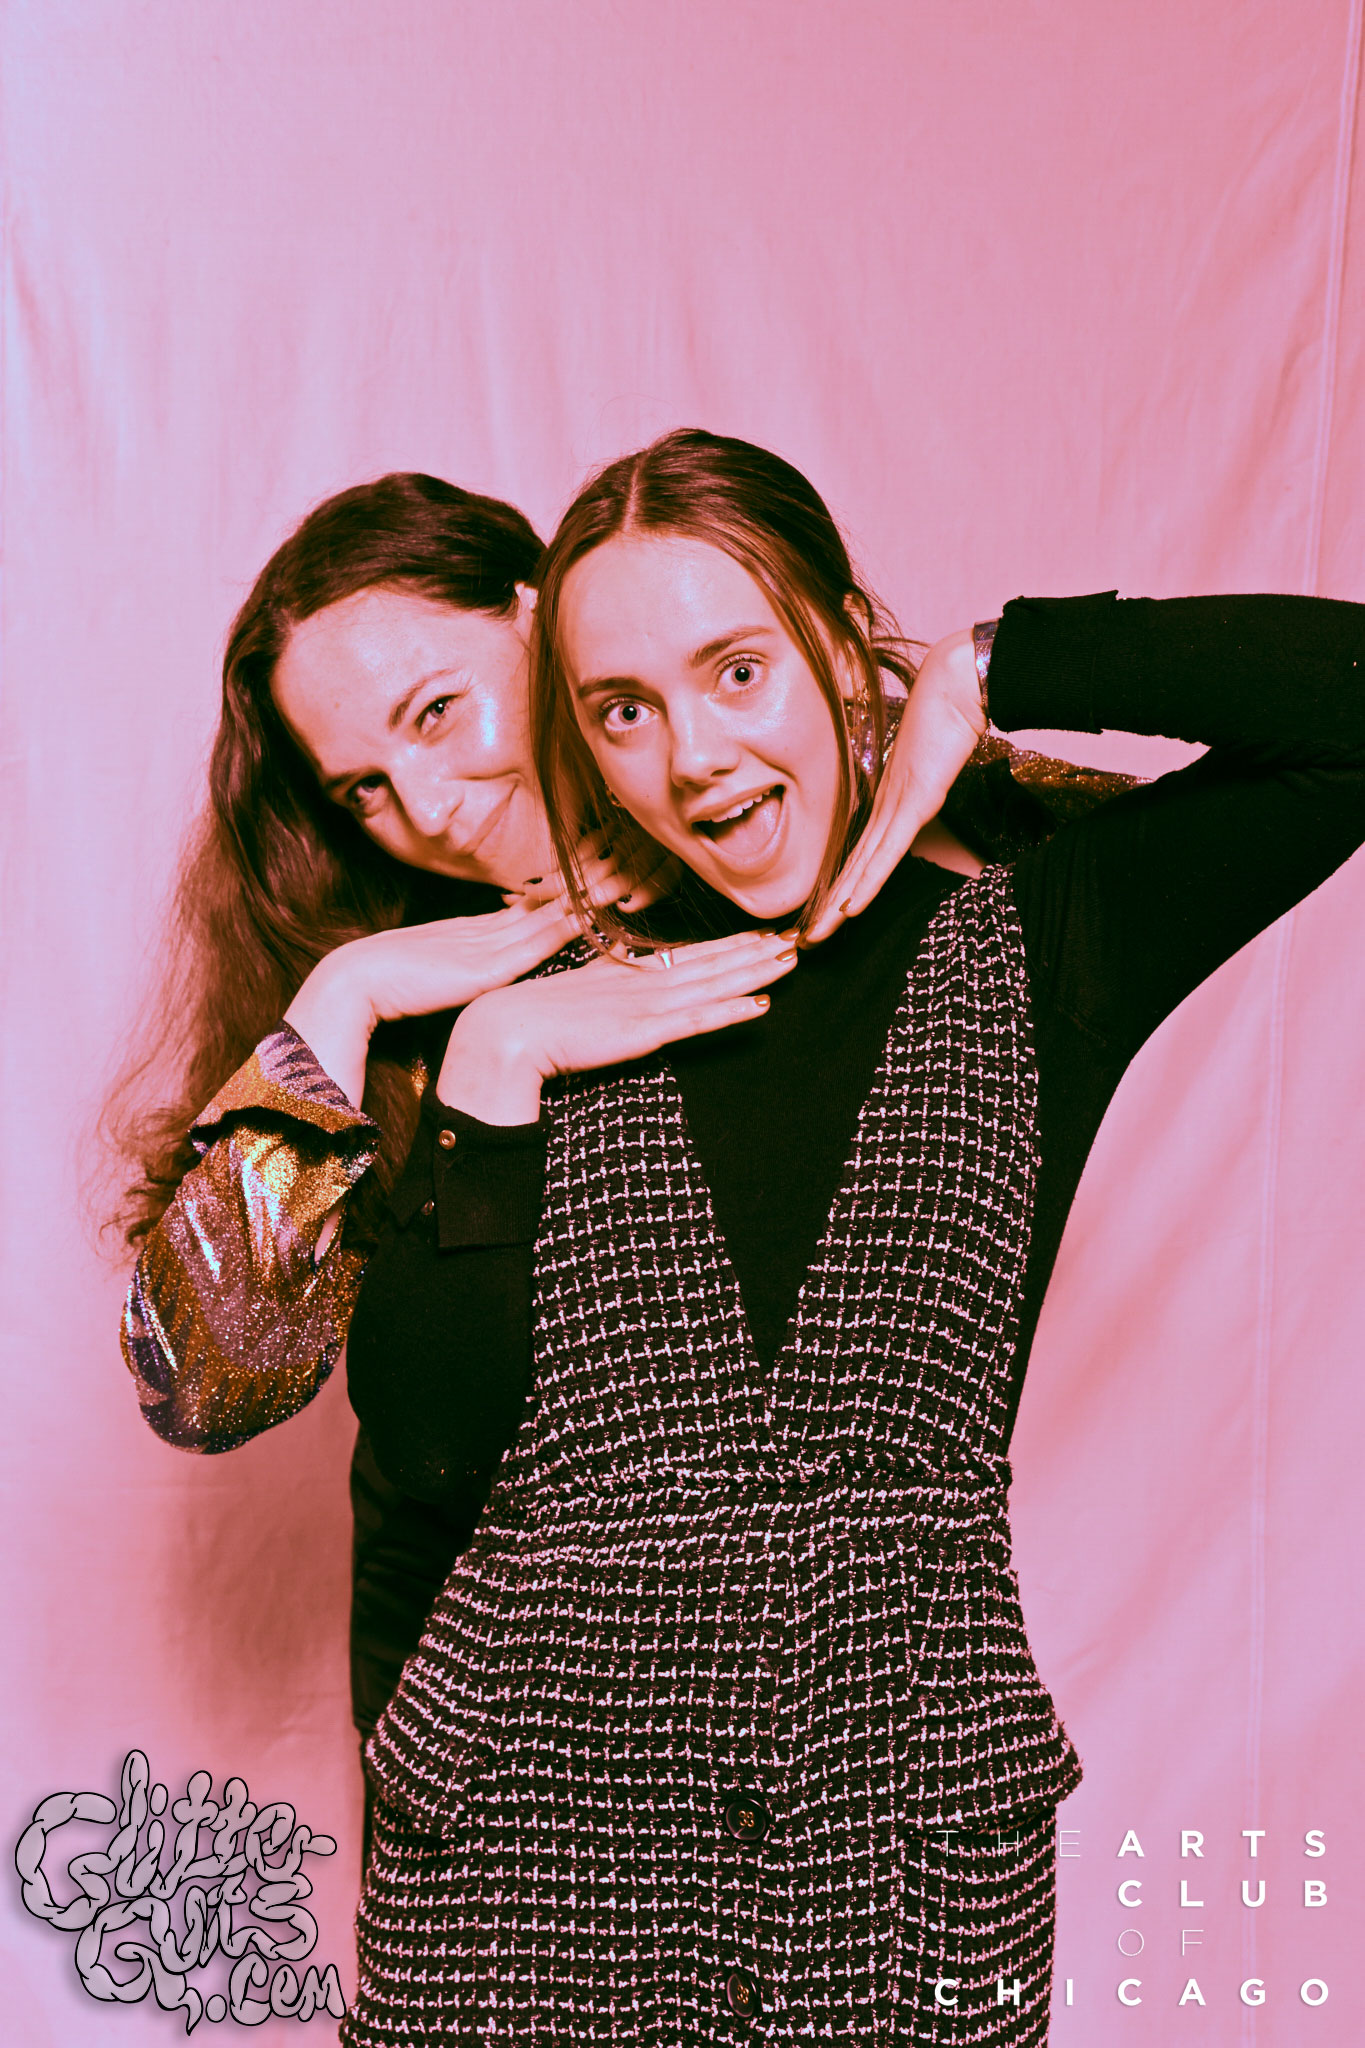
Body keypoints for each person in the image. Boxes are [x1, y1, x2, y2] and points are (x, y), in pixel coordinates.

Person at [339, 430, 1365, 2045]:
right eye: (623, 710)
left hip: (901, 1843)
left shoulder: (1038, 939)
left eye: (737, 670)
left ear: (834, 642)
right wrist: (489, 1079)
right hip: (527, 1859)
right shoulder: (517, 998)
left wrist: (996, 662)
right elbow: (424, 1456)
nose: (695, 756)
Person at [114, 467, 1092, 1844]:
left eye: (438, 713)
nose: (430, 807)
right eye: (364, 787)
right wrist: (352, 992)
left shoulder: (777, 846)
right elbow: (203, 1383)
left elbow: (1161, 841)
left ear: (546, 623)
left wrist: (929, 691)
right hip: (469, 1728)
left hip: (811, 1721)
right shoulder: (395, 999)